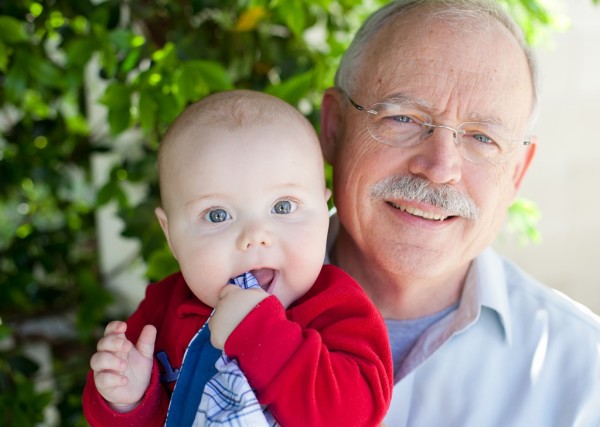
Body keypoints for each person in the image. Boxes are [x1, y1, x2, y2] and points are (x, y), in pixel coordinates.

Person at [319, 1, 600, 426]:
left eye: (482, 138)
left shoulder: (586, 375)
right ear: (334, 127)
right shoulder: (197, 319)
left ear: (517, 173)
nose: (439, 168)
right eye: (404, 118)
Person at [82, 90, 392, 427]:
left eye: (283, 207)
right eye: (217, 215)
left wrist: (260, 333)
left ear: (322, 213)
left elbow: (354, 414)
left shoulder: (337, 307)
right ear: (171, 236)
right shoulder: (160, 314)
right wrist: (129, 401)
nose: (254, 236)